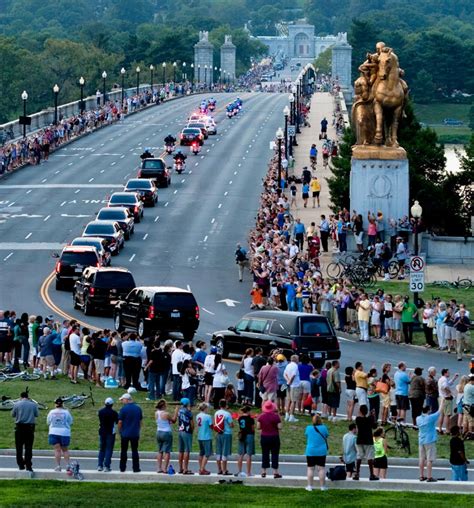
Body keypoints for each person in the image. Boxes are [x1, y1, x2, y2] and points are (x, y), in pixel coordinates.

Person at [12, 391, 39, 472]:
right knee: (28, 447)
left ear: (21, 396)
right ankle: (28, 465)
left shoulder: (16, 404)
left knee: (19, 447)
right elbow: (36, 414)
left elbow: (13, 414)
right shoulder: (33, 404)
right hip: (29, 428)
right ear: (28, 396)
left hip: (19, 427)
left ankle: (20, 464)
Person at [118, 392, 143, 473]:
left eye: (122, 400)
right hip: (135, 433)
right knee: (135, 451)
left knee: (124, 451)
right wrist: (138, 430)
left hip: (125, 433)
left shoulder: (123, 409)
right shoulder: (138, 408)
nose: (122, 401)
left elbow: (120, 422)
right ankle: (136, 468)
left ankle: (122, 467)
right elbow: (140, 421)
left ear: (127, 400)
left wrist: (120, 431)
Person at [257, 400, 282, 479]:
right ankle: (275, 472)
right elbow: (280, 427)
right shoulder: (275, 416)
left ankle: (264, 471)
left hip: (264, 436)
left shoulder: (261, 416)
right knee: (275, 454)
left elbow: (258, 427)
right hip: (274, 436)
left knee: (265, 454)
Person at [47, 398, 73, 471]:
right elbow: (70, 422)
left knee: (57, 450)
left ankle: (58, 466)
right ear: (62, 404)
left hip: (54, 432)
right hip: (64, 433)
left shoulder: (51, 412)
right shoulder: (66, 412)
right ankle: (68, 465)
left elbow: (48, 422)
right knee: (65, 450)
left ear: (55, 404)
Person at [305, 414, 329, 491]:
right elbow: (326, 435)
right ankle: (322, 487)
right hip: (321, 451)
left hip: (311, 451)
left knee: (310, 468)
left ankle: (309, 486)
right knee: (321, 469)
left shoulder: (308, 428)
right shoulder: (324, 428)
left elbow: (306, 435)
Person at [354, 405, 378, 481]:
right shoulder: (370, 419)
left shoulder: (358, 419)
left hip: (360, 439)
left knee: (359, 457)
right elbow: (374, 426)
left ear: (360, 411)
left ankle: (357, 473)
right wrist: (373, 416)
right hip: (368, 440)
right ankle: (371, 474)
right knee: (369, 457)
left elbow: (361, 418)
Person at [416, 405, 441, 482]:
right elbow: (439, 411)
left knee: (421, 458)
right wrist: (442, 401)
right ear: (428, 410)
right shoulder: (430, 418)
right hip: (429, 440)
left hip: (421, 440)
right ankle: (429, 477)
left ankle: (421, 476)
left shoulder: (418, 418)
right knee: (429, 459)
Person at [155, 399, 177, 474]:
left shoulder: (156, 413)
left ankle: (159, 468)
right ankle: (165, 469)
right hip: (166, 432)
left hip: (159, 432)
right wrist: (176, 411)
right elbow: (174, 420)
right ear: (164, 406)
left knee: (160, 451)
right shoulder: (166, 414)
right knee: (167, 451)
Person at [97, 397, 118, 472]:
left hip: (102, 431)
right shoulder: (114, 413)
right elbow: (117, 421)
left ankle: (99, 465)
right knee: (109, 449)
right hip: (110, 432)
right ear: (112, 404)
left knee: (102, 448)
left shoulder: (100, 411)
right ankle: (107, 466)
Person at [214, 399, 233, 475]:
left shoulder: (216, 413)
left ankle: (219, 469)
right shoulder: (227, 414)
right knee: (224, 453)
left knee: (219, 452)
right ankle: (224, 470)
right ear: (226, 405)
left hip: (219, 433)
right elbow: (231, 425)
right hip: (226, 433)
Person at [177, 397, 194, 474]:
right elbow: (192, 423)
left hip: (180, 430)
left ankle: (180, 468)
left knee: (181, 450)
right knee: (187, 450)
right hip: (187, 431)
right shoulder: (188, 412)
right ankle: (185, 468)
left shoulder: (179, 411)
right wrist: (192, 430)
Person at [236, 405, 255, 477]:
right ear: (248, 411)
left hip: (242, 435)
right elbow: (252, 428)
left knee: (241, 454)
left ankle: (240, 471)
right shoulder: (251, 419)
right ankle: (248, 472)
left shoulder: (240, 418)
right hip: (249, 435)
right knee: (249, 455)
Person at [438, 368, 458, 434]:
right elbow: (445, 387)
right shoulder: (444, 379)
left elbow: (448, 384)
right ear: (445, 373)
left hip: (441, 398)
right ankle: (447, 430)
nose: (449, 373)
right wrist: (450, 393)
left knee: (442, 415)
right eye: (448, 372)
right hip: (446, 398)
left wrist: (454, 378)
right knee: (447, 415)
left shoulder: (441, 379)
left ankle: (440, 428)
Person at [196, 402, 213, 475]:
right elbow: (211, 426)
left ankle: (201, 468)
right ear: (205, 408)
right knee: (207, 454)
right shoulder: (208, 416)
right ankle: (202, 469)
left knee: (201, 453)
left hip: (200, 436)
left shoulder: (198, 416)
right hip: (206, 436)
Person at [284, 355, 301, 422]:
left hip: (289, 384)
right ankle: (291, 416)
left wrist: (288, 381)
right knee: (293, 401)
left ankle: (287, 415)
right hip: (294, 385)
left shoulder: (288, 365)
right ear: (296, 359)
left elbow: (284, 374)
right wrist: (290, 381)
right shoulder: (295, 366)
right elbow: (293, 375)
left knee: (289, 400)